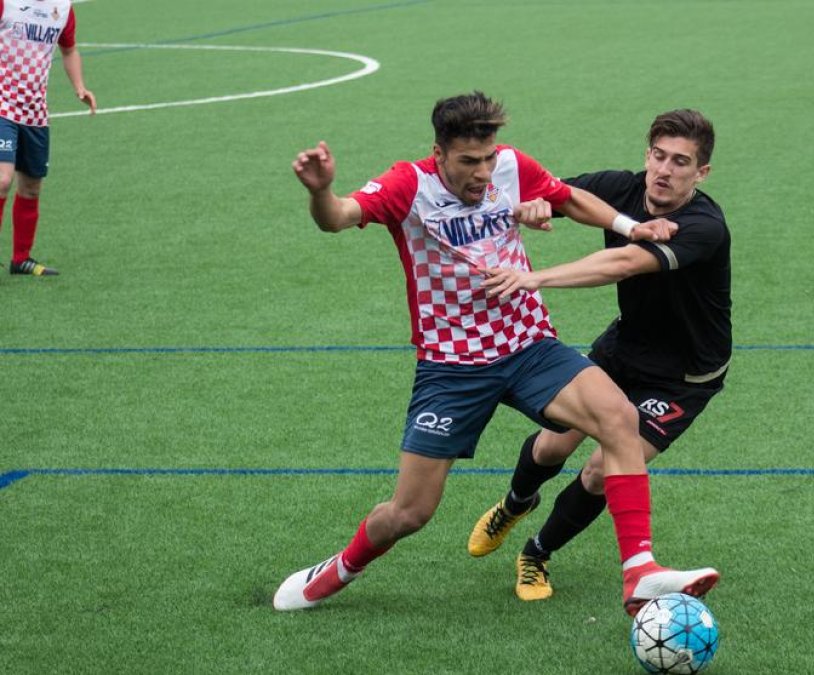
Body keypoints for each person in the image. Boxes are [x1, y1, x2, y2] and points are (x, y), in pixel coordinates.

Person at [273, 92, 718, 616]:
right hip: (452, 366)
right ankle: (341, 567)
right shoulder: (407, 184)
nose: (483, 173)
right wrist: (322, 192)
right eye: (468, 162)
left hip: (528, 346)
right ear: (438, 154)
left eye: (488, 159)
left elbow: (567, 197)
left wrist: (629, 227)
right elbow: (338, 217)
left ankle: (639, 571)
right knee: (410, 513)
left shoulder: (511, 164)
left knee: (618, 418)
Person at [467, 109, 730, 604]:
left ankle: (536, 553)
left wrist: (535, 277)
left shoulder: (703, 226)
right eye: (658, 156)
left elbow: (625, 262)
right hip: (624, 346)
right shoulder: (620, 188)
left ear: (701, 173)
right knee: (549, 447)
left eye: (681, 162)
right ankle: (514, 503)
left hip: (682, 378)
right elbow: (549, 193)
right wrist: (535, 206)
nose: (665, 171)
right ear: (646, 155)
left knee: (598, 471)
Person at [0, 0, 96, 277]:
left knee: (31, 186)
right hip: (3, 105)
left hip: (34, 111)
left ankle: (21, 259)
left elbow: (69, 50)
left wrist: (80, 87)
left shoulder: (63, 9)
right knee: (3, 179)